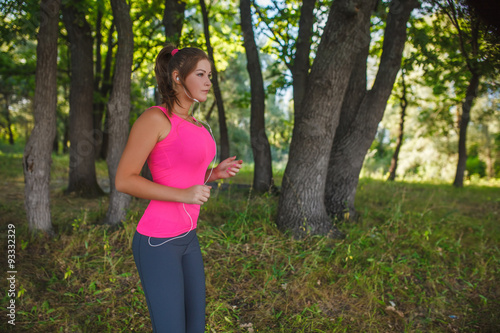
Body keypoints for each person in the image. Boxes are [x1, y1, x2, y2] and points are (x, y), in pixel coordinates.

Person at [115, 45, 243, 333]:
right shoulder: (155, 119)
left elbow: (182, 174)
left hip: (188, 239)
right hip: (157, 242)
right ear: (177, 77)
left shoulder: (195, 124)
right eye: (200, 74)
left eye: (210, 74)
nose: (209, 81)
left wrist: (214, 173)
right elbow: (124, 179)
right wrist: (185, 195)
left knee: (195, 327)